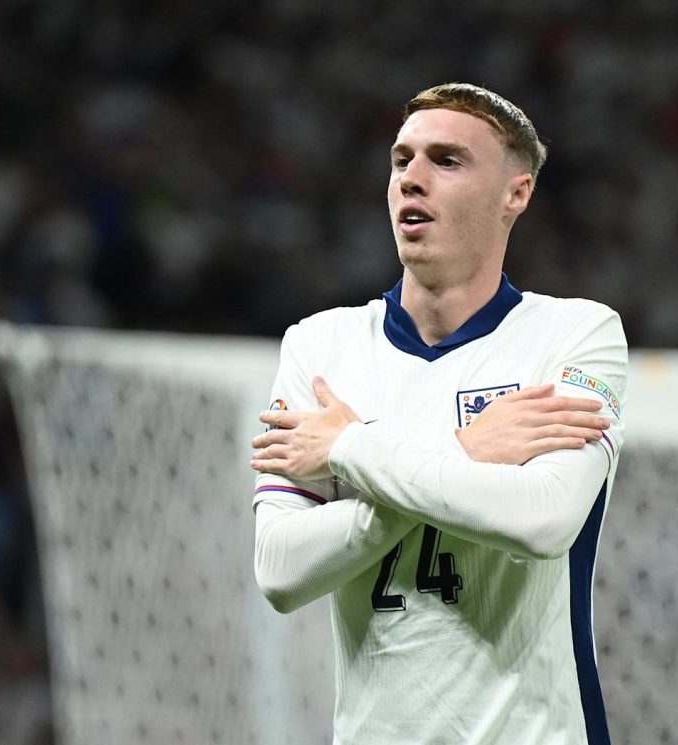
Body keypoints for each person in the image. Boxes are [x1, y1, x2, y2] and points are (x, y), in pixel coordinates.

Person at [250, 83, 627, 745]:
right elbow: (280, 570)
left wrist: (350, 448)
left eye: (447, 160)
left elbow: (541, 519)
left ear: (516, 193)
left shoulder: (575, 335)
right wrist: (465, 449)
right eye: (402, 160)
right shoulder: (320, 346)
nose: (412, 178)